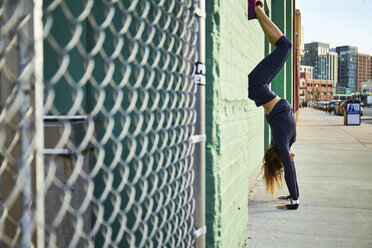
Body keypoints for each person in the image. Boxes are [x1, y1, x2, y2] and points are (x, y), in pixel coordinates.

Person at [247, 0, 299, 210]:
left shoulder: (282, 142)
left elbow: (289, 165)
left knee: (285, 45)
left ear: (281, 159)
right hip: (261, 88)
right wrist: (291, 195)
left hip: (259, 86)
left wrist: (294, 201)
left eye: (286, 162)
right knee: (283, 46)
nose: (292, 159)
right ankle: (256, 11)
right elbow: (289, 165)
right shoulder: (287, 141)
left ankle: (257, 9)